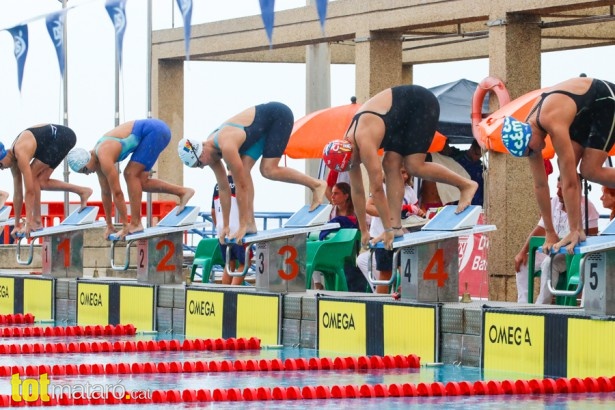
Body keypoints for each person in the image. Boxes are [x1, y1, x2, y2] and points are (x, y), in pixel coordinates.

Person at [330, 84, 477, 251]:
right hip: (398, 117)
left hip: (420, 103)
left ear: (352, 151)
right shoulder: (346, 151)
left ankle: (466, 185)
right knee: (390, 163)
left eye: (354, 162)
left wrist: (386, 230)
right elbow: (357, 191)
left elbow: (377, 189)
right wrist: (363, 230)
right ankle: (397, 227)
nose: (355, 166)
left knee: (413, 166)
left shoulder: (364, 141)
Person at [177, 102, 327, 245]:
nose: (202, 167)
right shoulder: (211, 155)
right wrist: (226, 226)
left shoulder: (226, 145)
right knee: (245, 168)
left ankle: (317, 185)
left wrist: (241, 225)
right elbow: (224, 188)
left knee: (269, 170)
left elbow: (240, 185)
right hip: (257, 133)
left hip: (278, 116)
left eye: (199, 164)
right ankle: (250, 223)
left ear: (201, 152)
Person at [501, 76, 615, 254]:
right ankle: (577, 229)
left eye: (530, 150)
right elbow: (540, 185)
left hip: (604, 99)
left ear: (529, 135)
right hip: (582, 110)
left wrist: (573, 231)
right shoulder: (529, 135)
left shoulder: (553, 123)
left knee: (589, 170)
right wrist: (550, 233)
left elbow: (570, 182)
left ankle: (577, 230)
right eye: (528, 154)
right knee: (569, 168)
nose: (533, 154)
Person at [66, 118, 195, 239]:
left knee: (130, 174)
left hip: (155, 131)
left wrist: (125, 225)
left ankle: (135, 223)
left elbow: (117, 193)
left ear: (87, 159)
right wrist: (109, 226)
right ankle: (183, 192)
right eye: (83, 173)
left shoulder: (104, 156)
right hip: (153, 132)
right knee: (141, 183)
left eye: (85, 170)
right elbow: (106, 193)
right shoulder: (97, 162)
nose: (87, 173)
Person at [515, 175, 599, 304]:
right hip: (550, 250)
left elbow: (592, 237)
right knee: (523, 263)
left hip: (572, 256)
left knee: (548, 263)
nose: (558, 192)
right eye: (557, 188)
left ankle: (541, 306)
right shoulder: (554, 202)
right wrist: (522, 252)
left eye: (561, 189)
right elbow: (540, 228)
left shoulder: (588, 207)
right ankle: (523, 304)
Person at [0, 124, 92, 238]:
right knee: (41, 182)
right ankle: (83, 191)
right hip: (53, 140)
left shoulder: (20, 153)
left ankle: (37, 221)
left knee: (33, 177)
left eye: (0, 165)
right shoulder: (13, 161)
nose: (2, 169)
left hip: (62, 136)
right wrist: (17, 224)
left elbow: (29, 191)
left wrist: (29, 222)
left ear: (2, 155)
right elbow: (17, 194)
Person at [357, 168, 424, 293]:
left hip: (403, 237)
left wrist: (416, 212)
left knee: (406, 273)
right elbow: (369, 207)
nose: (404, 176)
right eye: (401, 172)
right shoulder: (381, 188)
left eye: (407, 173)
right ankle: (380, 303)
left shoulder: (409, 191)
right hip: (380, 236)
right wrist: (392, 214)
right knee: (385, 273)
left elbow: (415, 211)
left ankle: (406, 300)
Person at [312, 182, 358, 290]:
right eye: (332, 193)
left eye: (336, 193)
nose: (332, 196)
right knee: (312, 252)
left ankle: (319, 285)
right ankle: (318, 284)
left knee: (316, 252)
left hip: (349, 250)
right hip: (334, 247)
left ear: (346, 196)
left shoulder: (357, 210)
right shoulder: (332, 211)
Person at [211, 171, 248, 285]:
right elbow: (246, 207)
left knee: (229, 263)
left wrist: (219, 226)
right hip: (237, 230)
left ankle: (225, 292)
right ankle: (233, 291)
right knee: (245, 263)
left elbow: (212, 211)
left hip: (222, 230)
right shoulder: (241, 183)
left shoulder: (218, 184)